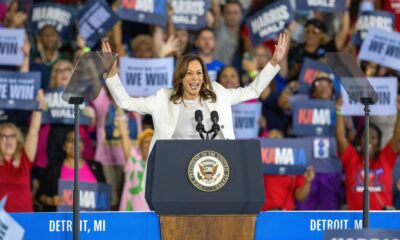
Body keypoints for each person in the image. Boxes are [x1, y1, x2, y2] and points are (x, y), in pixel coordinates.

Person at [102, 32, 288, 152]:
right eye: (189, 73)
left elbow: (253, 91)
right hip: (176, 167)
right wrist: (111, 74)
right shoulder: (163, 98)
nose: (195, 78)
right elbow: (126, 102)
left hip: (217, 163)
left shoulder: (218, 93)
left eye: (199, 73)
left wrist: (273, 63)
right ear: (181, 77)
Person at [336, 97, 400, 210]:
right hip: (356, 221)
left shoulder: (385, 158)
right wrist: (338, 110)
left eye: (373, 138)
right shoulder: (351, 158)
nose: (369, 140)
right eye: (365, 137)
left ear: (379, 143)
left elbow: (397, 135)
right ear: (360, 141)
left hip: (383, 220)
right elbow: (340, 138)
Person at [37, 129, 105, 212]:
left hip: (92, 222)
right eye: (70, 140)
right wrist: (51, 201)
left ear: (83, 146)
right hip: (63, 221)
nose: (74, 143)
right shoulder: (53, 168)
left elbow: (104, 196)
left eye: (78, 140)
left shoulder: (96, 167)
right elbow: (40, 195)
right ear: (64, 146)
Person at [0, 91, 45, 212]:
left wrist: (38, 107)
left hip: (25, 222)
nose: (8, 140)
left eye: (12, 136)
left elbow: (34, 131)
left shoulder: (25, 159)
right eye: (3, 136)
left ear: (18, 140)